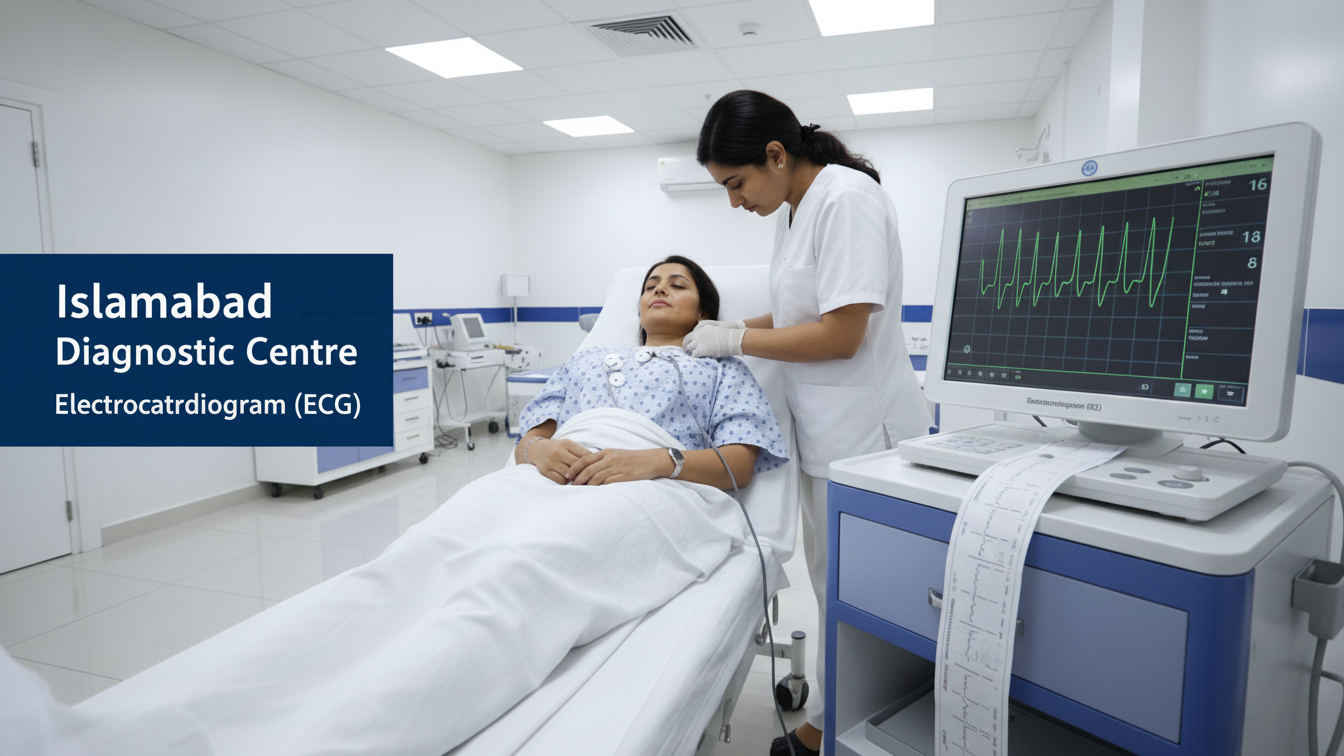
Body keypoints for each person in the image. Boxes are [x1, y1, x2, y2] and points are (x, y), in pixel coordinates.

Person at [4, 257, 790, 756]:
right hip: (549, 474)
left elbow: (742, 463)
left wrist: (650, 462)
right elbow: (535, 431)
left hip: (652, 486)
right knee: (413, 561)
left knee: (518, 572)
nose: (657, 290)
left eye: (676, 283)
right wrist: (537, 452)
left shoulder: (720, 371)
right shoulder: (590, 362)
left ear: (705, 310)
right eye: (649, 282)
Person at [685, 90, 933, 756]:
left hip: (868, 438)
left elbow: (841, 334)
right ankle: (836, 717)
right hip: (825, 436)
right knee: (832, 587)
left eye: (735, 183)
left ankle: (840, 727)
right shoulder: (794, 209)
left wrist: (736, 340)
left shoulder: (846, 199)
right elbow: (800, 312)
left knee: (862, 593)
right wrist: (730, 328)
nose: (734, 201)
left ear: (775, 154)